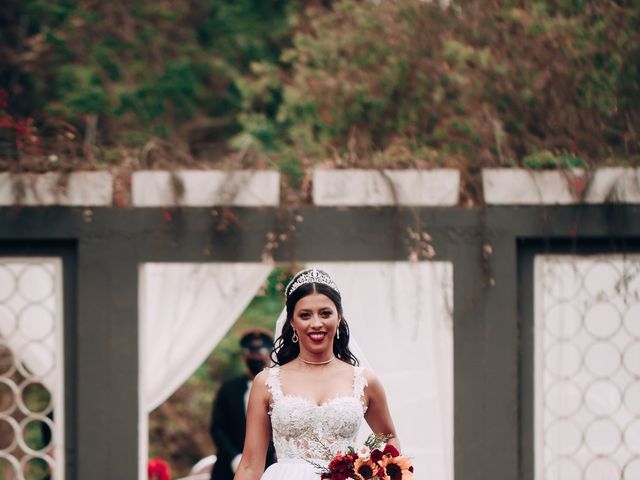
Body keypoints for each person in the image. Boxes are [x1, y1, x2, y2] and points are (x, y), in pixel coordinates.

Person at [234, 268, 401, 480]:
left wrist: (378, 472)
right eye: (305, 315)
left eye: (325, 313)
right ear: (292, 322)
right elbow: (250, 465)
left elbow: (389, 437)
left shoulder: (364, 380)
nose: (316, 323)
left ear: (338, 317)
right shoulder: (267, 382)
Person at [209, 329, 277, 480]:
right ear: (244, 356)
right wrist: (234, 457)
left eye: (260, 352)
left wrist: (265, 454)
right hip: (226, 467)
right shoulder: (228, 388)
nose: (256, 357)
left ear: (269, 353)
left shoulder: (276, 387)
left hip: (267, 467)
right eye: (251, 352)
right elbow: (217, 428)